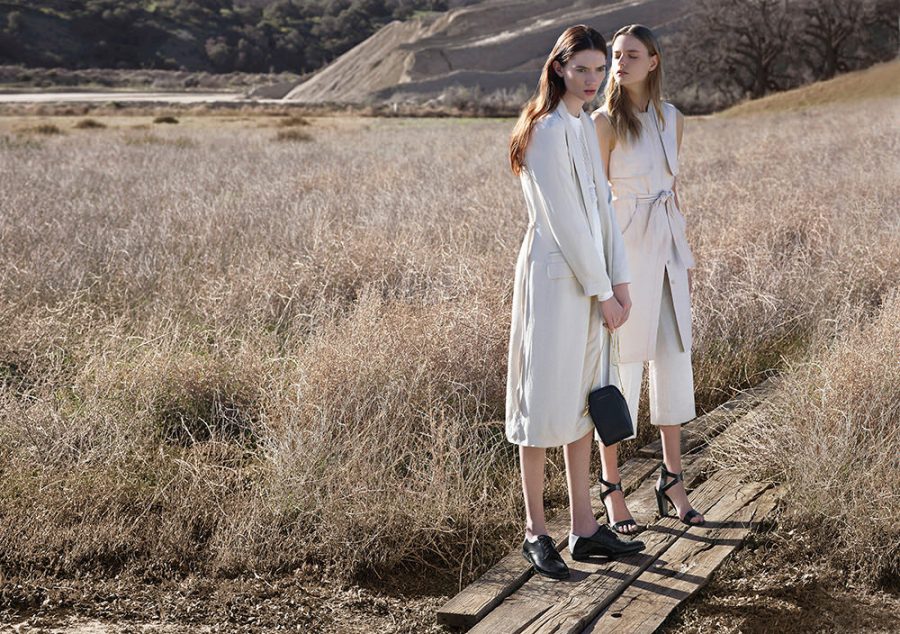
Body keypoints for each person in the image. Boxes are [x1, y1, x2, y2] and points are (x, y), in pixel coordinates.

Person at [505, 24, 644, 580]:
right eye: (581, 68)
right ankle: (535, 531)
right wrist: (603, 289)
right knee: (542, 401)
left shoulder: (585, 125)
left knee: (586, 400)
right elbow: (564, 220)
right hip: (555, 280)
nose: (592, 79)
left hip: (594, 281)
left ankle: (584, 528)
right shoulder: (542, 130)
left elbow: (603, 209)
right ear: (559, 66)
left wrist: (620, 280)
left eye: (599, 69)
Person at [589, 24, 705, 536]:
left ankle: (672, 480)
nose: (620, 63)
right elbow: (596, 204)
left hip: (667, 253)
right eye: (615, 55)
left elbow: (672, 191)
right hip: (624, 254)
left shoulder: (672, 118)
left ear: (653, 61)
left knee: (673, 362)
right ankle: (612, 489)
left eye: (631, 55)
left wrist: (680, 260)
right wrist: (605, 282)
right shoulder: (603, 122)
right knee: (620, 371)